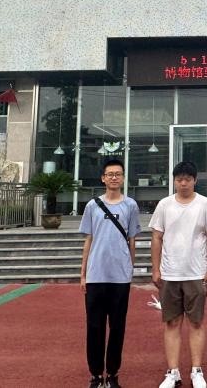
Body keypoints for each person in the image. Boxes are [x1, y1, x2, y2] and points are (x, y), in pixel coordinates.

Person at [150, 161, 207, 388]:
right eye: (179, 179)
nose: (183, 183)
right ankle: (173, 372)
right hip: (170, 274)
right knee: (172, 323)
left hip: (196, 273)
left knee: (196, 323)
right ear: (174, 181)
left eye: (187, 179)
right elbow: (157, 237)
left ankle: (196, 371)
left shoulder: (205, 204)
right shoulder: (164, 205)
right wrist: (156, 268)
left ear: (195, 180)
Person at [79, 158, 141, 388]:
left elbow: (132, 240)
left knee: (117, 327)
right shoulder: (92, 206)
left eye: (118, 174)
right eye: (110, 174)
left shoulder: (131, 206)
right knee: (94, 327)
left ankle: (113, 374)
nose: (114, 177)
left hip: (120, 278)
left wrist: (129, 268)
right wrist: (83, 273)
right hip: (96, 276)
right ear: (103, 178)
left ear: (123, 178)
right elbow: (89, 239)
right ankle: (96, 375)